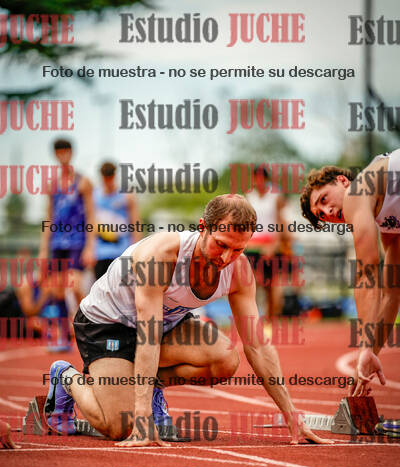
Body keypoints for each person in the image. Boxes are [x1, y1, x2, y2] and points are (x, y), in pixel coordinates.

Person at [45, 194, 333, 447]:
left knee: (224, 359)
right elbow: (148, 336)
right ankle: (66, 378)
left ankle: (150, 386)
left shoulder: (239, 271)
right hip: (107, 326)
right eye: (221, 245)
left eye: (238, 250)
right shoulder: (161, 256)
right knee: (120, 427)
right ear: (202, 227)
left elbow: (257, 345)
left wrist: (291, 414)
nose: (226, 258)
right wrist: (142, 417)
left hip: (165, 324)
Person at [300, 149, 400, 396]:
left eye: (324, 199)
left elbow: (367, 274)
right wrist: (368, 356)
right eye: (321, 215)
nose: (328, 212)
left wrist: (365, 347)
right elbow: (391, 293)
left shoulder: (358, 192)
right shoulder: (387, 222)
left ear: (343, 181)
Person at [38, 139, 96, 305]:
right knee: (57, 288)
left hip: (77, 242)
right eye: (59, 152)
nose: (62, 155)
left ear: (71, 153)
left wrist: (90, 247)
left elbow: (91, 216)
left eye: (65, 152)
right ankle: (64, 320)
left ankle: (84, 319)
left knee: (75, 285)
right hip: (57, 243)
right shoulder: (52, 185)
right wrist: (43, 249)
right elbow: (49, 218)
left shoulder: (83, 182)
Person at [245, 165, 291, 320]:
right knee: (252, 283)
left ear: (266, 179)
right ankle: (253, 317)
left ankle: (271, 319)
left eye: (261, 178)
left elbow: (280, 221)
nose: (258, 181)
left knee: (270, 285)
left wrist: (275, 244)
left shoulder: (275, 196)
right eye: (255, 178)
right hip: (253, 245)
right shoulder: (249, 196)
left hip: (270, 244)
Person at [94, 161, 141, 280]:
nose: (108, 181)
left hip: (121, 252)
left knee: (123, 287)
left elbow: (136, 224)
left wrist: (137, 250)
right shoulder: (95, 197)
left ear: (114, 175)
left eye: (110, 177)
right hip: (100, 253)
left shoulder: (127, 196)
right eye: (105, 177)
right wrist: (89, 248)